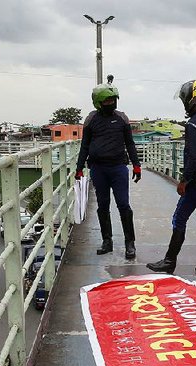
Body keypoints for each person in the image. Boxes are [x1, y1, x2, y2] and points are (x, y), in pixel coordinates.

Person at [147, 80, 196, 276]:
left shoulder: (194, 123)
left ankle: (169, 261)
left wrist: (184, 180)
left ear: (192, 98)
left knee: (179, 218)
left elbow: (194, 156)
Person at [76, 82, 142, 259]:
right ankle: (107, 241)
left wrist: (136, 165)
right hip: (98, 169)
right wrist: (79, 168)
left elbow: (130, 143)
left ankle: (130, 243)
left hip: (118, 168)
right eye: (107, 101)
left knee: (123, 205)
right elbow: (85, 146)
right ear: (98, 102)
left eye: (113, 100)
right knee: (102, 205)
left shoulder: (122, 118)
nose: (111, 103)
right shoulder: (91, 120)